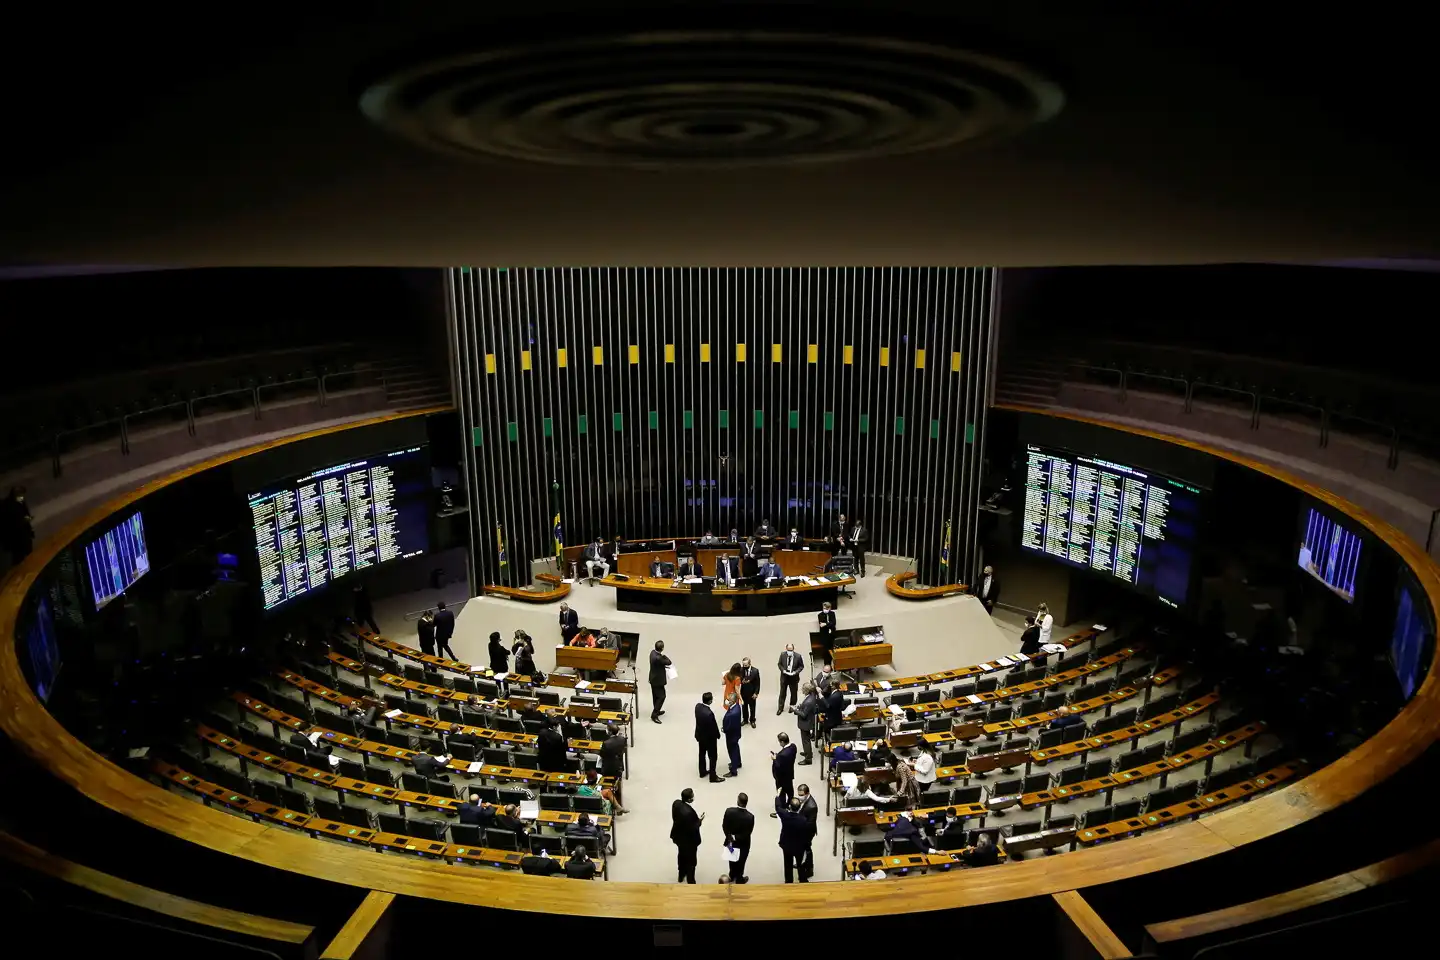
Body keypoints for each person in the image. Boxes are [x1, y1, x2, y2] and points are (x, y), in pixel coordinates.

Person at [774, 790, 811, 883]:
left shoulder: (784, 815)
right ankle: (802, 880)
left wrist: (777, 796)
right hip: (799, 847)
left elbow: (778, 807)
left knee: (787, 865)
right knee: (800, 864)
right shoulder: (803, 820)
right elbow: (806, 835)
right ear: (799, 808)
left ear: (789, 807)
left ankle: (788, 881)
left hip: (786, 845)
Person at [670, 787, 703, 884]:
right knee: (692, 860)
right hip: (689, 841)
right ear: (689, 799)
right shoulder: (689, 813)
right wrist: (699, 821)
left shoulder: (676, 803)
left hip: (678, 836)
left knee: (681, 855)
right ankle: (690, 879)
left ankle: (681, 875)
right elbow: (694, 827)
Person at [722, 792, 754, 884]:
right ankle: (739, 878)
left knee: (731, 859)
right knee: (741, 862)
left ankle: (732, 875)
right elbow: (748, 833)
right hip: (743, 844)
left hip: (730, 843)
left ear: (738, 801)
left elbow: (724, 826)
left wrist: (729, 837)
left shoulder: (729, 811)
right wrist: (736, 837)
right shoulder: (750, 817)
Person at [0, 487, 34, 566]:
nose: (22, 497)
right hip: (16, 536)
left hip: (24, 534)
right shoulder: (8, 505)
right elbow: (9, 522)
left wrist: (27, 520)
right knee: (18, 557)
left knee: (28, 553)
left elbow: (26, 513)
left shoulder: (20, 502)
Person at [694, 691, 723, 782]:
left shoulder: (697, 707)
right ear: (710, 701)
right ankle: (713, 776)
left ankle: (702, 771)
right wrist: (718, 735)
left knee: (702, 754)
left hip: (700, 735)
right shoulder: (709, 714)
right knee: (713, 757)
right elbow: (713, 727)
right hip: (709, 739)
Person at [791, 682, 819, 764]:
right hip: (808, 721)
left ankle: (808, 759)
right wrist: (801, 706)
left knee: (805, 741)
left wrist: (795, 710)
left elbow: (803, 715)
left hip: (805, 723)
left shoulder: (808, 701)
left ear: (806, 690)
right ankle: (808, 753)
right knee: (806, 740)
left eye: (803, 689)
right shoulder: (811, 696)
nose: (802, 690)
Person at [771, 732, 797, 808]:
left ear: (782, 742)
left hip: (781, 778)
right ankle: (791, 805)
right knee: (790, 792)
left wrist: (775, 759)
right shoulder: (793, 747)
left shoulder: (782, 755)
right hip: (789, 774)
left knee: (781, 794)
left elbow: (778, 767)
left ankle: (781, 808)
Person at [777, 643, 804, 713]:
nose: (790, 651)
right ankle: (780, 708)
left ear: (793, 649)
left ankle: (792, 706)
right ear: (786, 649)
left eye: (791, 650)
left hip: (793, 678)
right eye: (788, 650)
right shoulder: (782, 655)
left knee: (794, 693)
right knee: (782, 693)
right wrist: (783, 670)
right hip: (784, 677)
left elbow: (801, 666)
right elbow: (779, 664)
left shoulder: (798, 656)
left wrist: (795, 672)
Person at [649, 640, 672, 723]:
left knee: (655, 696)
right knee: (662, 696)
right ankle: (654, 715)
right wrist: (664, 656)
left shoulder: (652, 653)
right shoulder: (659, 658)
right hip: (658, 681)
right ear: (662, 648)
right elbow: (669, 662)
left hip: (653, 678)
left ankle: (657, 710)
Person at [722, 698, 744, 777]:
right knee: (736, 748)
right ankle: (738, 762)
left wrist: (724, 729)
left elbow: (729, 726)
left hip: (731, 735)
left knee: (732, 752)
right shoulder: (737, 707)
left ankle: (733, 771)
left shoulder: (732, 713)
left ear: (732, 701)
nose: (727, 701)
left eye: (729, 700)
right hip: (736, 733)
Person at [739, 657, 761, 727]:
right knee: (744, 707)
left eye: (746, 665)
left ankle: (752, 720)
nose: (744, 667)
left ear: (749, 663)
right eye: (743, 665)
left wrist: (756, 693)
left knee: (752, 708)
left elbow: (758, 683)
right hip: (743, 692)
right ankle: (745, 720)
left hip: (752, 693)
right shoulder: (741, 670)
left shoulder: (755, 671)